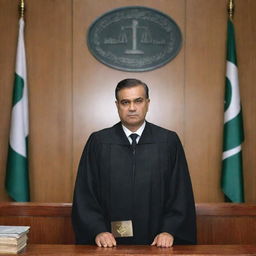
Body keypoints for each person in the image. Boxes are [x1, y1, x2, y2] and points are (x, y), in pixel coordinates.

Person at [72, 78, 196, 248]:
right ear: (117, 105)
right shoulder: (99, 142)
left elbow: (180, 193)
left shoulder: (168, 141)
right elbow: (85, 194)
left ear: (147, 103)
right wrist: (97, 230)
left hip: (158, 243)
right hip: (110, 245)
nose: (131, 108)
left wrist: (170, 231)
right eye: (125, 102)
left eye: (138, 101)